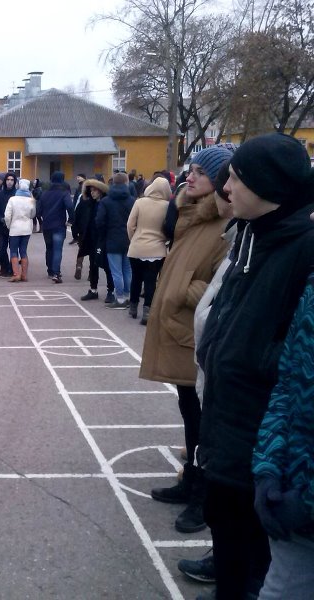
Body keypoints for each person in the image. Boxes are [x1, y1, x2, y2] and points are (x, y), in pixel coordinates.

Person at [196, 133, 314, 598]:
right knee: (227, 538)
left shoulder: (301, 249)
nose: (227, 189)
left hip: (261, 433)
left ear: (267, 187)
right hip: (226, 421)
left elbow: (297, 354)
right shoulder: (252, 235)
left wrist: (251, 361)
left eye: (237, 179)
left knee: (255, 564)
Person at [140, 145, 232, 537]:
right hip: (181, 329)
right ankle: (190, 480)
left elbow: (221, 285)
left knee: (204, 419)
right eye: (190, 169)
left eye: (201, 172)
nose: (190, 177)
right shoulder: (190, 216)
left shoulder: (225, 223)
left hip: (194, 331)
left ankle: (202, 496)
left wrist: (184, 291)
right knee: (188, 411)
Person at [252, 272, 314, 600]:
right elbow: (287, 385)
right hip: (294, 496)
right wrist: (268, 467)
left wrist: (308, 501)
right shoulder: (312, 292)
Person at [126, 176, 171, 323]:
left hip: (137, 247)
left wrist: (134, 239)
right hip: (157, 249)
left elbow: (130, 225)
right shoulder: (167, 206)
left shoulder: (139, 202)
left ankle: (133, 307)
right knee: (151, 281)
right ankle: (147, 311)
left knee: (136, 279)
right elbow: (169, 227)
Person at [95, 172, 135, 309]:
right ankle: (128, 296)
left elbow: (99, 221)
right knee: (127, 270)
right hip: (129, 240)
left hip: (112, 239)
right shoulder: (132, 200)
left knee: (116, 271)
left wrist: (104, 234)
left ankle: (120, 299)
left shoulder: (106, 201)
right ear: (126, 183)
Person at [78, 180, 116, 303]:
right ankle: (93, 289)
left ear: (100, 191)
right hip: (92, 238)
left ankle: (111, 291)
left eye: (94, 190)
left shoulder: (106, 203)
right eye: (91, 191)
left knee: (106, 266)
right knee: (93, 265)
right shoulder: (90, 204)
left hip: (104, 238)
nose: (92, 193)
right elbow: (81, 216)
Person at [36, 172, 74, 283]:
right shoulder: (64, 193)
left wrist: (43, 217)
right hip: (59, 225)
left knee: (49, 248)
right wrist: (71, 219)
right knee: (57, 249)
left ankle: (50, 270)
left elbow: (38, 210)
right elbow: (70, 206)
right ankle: (56, 273)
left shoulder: (44, 193)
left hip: (47, 225)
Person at [4, 179, 36, 282]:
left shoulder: (12, 199)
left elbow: (7, 216)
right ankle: (24, 275)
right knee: (23, 251)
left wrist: (9, 226)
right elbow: (33, 215)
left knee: (13, 251)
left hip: (15, 227)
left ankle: (16, 274)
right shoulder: (31, 199)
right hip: (26, 228)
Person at [0, 172, 16, 278]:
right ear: (5, 181)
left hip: (14, 226)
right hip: (2, 225)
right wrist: (0, 218)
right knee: (2, 248)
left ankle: (12, 269)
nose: (9, 182)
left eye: (12, 180)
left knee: (14, 248)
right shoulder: (0, 194)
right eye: (8, 180)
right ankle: (4, 268)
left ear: (15, 182)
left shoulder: (17, 194)